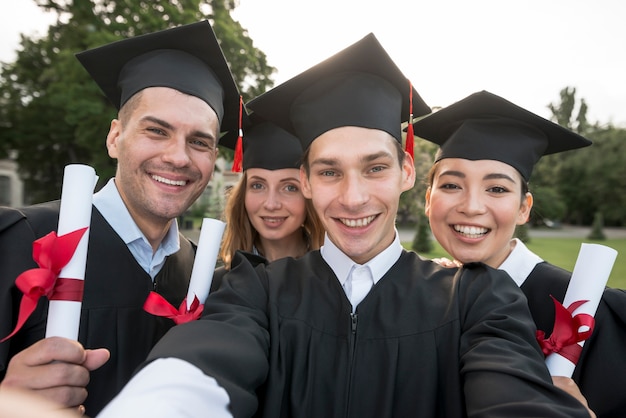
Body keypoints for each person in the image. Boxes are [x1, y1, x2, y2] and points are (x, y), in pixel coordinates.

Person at [98, 34, 592, 418]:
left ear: (405, 172)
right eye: (330, 171)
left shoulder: (477, 298)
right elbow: (200, 368)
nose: (353, 197)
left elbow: (510, 392)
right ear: (308, 182)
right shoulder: (258, 291)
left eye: (375, 168)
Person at [0, 20, 241, 416]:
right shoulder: (21, 240)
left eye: (199, 141)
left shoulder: (205, 277)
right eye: (157, 131)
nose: (179, 157)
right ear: (115, 138)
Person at [416, 90, 625, 417]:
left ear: (524, 208)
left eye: (497, 188)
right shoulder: (413, 297)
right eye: (451, 185)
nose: (471, 206)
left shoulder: (587, 312)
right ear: (428, 199)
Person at [215, 115, 324, 280]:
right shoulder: (216, 285)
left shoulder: (337, 282)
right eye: (258, 185)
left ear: (308, 195)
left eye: (290, 187)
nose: (271, 204)